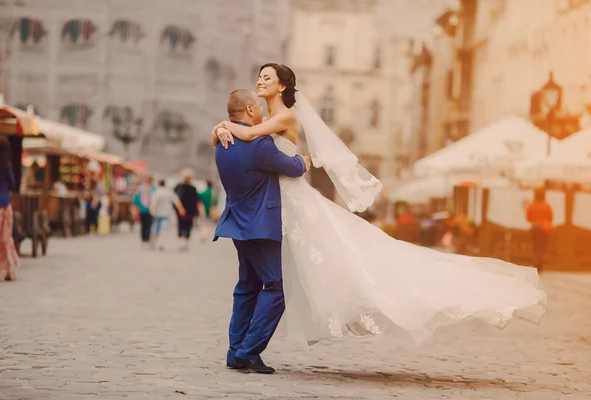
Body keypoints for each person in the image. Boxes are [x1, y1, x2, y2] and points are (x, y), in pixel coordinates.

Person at [213, 63, 546, 354]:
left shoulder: (284, 115)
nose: (260, 81)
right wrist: (221, 127)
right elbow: (256, 139)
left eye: (266, 77)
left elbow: (253, 134)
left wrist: (224, 127)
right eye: (259, 77)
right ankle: (246, 348)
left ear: (282, 85)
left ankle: (249, 347)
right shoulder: (268, 117)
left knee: (343, 259)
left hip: (290, 200)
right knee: (288, 274)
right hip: (278, 204)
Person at [213, 89, 309, 374]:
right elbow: (293, 168)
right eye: (260, 108)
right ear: (251, 111)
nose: (264, 114)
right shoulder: (259, 144)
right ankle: (249, 351)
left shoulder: (222, 142)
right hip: (260, 226)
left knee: (247, 287)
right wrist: (303, 161)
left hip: (237, 224)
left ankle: (235, 351)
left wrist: (220, 127)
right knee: (277, 288)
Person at [0, 136, 19, 281]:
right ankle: (8, 271)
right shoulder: (6, 166)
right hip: (4, 205)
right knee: (5, 238)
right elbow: (12, 183)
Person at [150, 179, 186, 251]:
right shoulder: (169, 192)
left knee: (155, 228)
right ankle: (161, 243)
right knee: (164, 228)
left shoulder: (156, 192)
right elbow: (177, 201)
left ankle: (154, 242)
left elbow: (153, 202)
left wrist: (152, 211)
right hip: (166, 213)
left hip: (157, 213)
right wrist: (181, 210)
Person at [526, 189, 553, 271]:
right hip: (543, 228)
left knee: (535, 247)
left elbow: (528, 218)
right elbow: (551, 217)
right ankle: (537, 265)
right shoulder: (546, 205)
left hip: (534, 227)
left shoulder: (531, 205)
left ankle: (536, 264)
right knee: (541, 247)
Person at [174, 169, 201, 250]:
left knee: (181, 226)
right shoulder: (193, 188)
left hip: (181, 211)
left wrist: (178, 209)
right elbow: (196, 200)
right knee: (188, 227)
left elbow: (174, 199)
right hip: (190, 212)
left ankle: (181, 243)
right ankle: (185, 243)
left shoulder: (178, 187)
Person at [133, 175, 156, 247]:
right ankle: (147, 240)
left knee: (143, 225)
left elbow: (136, 199)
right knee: (149, 225)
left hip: (142, 209)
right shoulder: (153, 189)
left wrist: (136, 208)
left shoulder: (141, 189)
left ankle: (143, 240)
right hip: (151, 210)